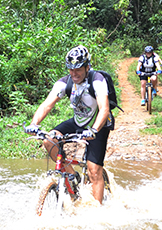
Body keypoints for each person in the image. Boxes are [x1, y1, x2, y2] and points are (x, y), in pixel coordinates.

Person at [24, 46, 113, 204]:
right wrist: (34, 124)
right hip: (78, 122)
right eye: (71, 69)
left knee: (94, 171)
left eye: (78, 69)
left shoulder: (98, 80)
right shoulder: (65, 83)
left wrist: (93, 130)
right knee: (49, 140)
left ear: (87, 67)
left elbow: (104, 108)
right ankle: (71, 175)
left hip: (98, 124)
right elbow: (47, 105)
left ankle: (97, 213)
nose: (74, 73)